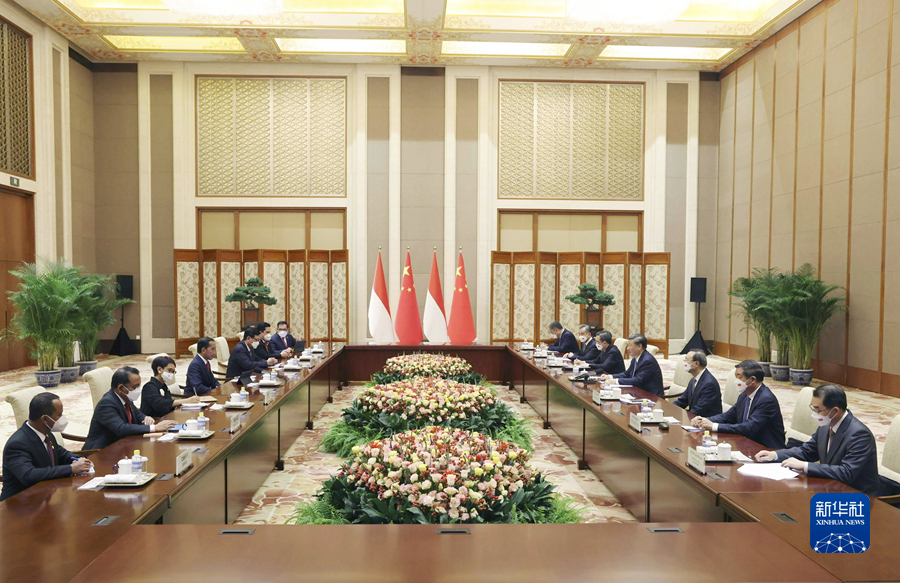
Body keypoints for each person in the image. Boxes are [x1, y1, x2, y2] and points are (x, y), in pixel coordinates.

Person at [754, 384, 881, 495]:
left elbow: (846, 473)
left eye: (818, 410)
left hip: (856, 497)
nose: (814, 414)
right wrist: (775, 455)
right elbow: (807, 451)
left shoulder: (859, 434)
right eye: (813, 408)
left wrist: (805, 466)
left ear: (835, 411)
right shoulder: (825, 426)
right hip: (830, 488)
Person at [1, 393, 93, 501]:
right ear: (45, 419)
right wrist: (71, 468)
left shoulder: (47, 434)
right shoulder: (17, 444)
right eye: (59, 415)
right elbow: (28, 475)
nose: (63, 418)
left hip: (44, 496)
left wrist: (79, 459)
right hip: (19, 503)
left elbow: (61, 454)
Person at [691, 359, 785, 450]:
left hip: (767, 449)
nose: (736, 381)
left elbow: (749, 427)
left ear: (752, 380)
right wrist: (704, 420)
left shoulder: (766, 400)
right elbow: (728, 416)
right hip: (747, 444)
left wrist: (714, 426)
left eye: (739, 377)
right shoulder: (744, 396)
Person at [84, 367, 175, 450]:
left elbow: (138, 413)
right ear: (121, 388)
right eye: (134, 387)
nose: (137, 390)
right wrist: (154, 427)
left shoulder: (125, 397)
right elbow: (121, 428)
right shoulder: (106, 404)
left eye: (139, 386)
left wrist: (145, 418)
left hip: (123, 446)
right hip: (101, 452)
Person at [673, 350, 722, 418]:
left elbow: (700, 409)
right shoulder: (693, 380)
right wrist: (669, 409)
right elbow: (682, 401)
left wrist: (685, 418)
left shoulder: (709, 384)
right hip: (695, 417)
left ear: (696, 364)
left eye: (686, 360)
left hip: (706, 420)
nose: (684, 362)